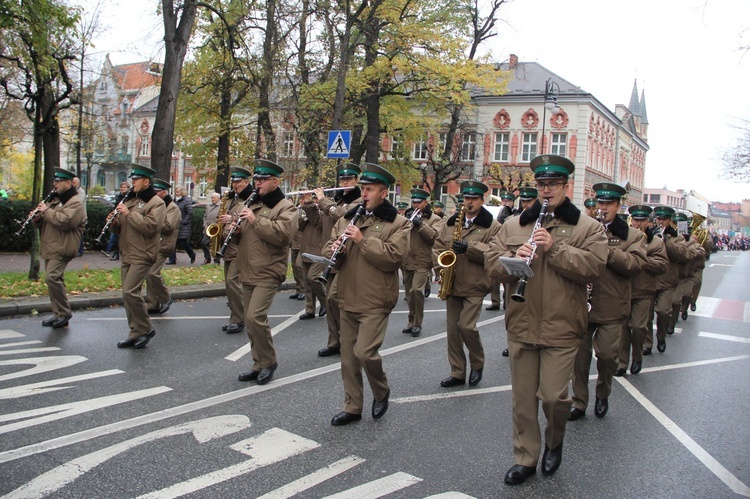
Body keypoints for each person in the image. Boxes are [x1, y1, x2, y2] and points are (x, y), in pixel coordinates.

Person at [485, 154, 607, 485]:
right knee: (523, 400)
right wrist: (512, 257)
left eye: (553, 184)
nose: (546, 190)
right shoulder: (514, 225)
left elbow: (594, 268)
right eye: (541, 184)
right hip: (522, 324)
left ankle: (555, 440)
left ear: (566, 186)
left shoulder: (587, 226)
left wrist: (554, 248)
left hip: (563, 326)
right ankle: (525, 457)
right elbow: (490, 265)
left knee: (555, 397)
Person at [322, 163, 409, 426]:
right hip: (347, 295)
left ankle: (381, 390)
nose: (365, 194)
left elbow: (394, 258)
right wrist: (336, 248)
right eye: (363, 189)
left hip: (375, 300)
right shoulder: (348, 218)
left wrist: (362, 240)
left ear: (384, 193)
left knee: (365, 353)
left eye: (370, 189)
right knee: (348, 358)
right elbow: (327, 250)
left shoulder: (398, 223)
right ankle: (352, 405)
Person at [569, 183, 646, 421]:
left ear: (618, 206)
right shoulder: (585, 229)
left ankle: (603, 393)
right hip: (584, 304)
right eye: (600, 203)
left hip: (613, 305)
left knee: (607, 356)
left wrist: (608, 251)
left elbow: (635, 265)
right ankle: (579, 402)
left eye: (608, 204)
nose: (602, 208)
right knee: (579, 359)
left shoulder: (633, 235)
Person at [435, 180, 501, 389]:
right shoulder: (450, 222)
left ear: (482, 200)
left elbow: (494, 253)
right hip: (452, 282)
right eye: (466, 198)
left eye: (474, 199)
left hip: (476, 283)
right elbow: (437, 247)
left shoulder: (493, 226)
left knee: (466, 326)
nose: (469, 202)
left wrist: (470, 248)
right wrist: (439, 267)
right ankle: (457, 371)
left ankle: (477, 363)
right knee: (453, 330)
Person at [236, 160, 295, 386]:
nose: (258, 183)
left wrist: (254, 219)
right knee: (250, 321)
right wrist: (235, 228)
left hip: (269, 270)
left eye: (262, 180)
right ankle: (258, 363)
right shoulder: (254, 204)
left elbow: (282, 236)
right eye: (256, 180)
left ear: (275, 182)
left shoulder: (285, 207)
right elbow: (248, 236)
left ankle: (269, 362)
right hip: (249, 268)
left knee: (255, 317)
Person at [112, 165, 166, 349]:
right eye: (132, 179)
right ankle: (135, 331)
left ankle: (146, 328)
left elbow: (151, 227)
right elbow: (122, 226)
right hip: (127, 252)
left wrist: (129, 214)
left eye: (136, 180)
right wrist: (113, 222)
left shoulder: (156, 203)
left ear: (146, 181)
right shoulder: (131, 200)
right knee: (127, 295)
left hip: (143, 253)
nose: (132, 182)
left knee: (130, 291)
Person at [314, 163, 362, 357]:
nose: (345, 182)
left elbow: (341, 215)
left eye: (349, 179)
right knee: (330, 299)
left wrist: (323, 201)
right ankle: (334, 341)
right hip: (331, 251)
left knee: (336, 298)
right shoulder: (337, 199)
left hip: (348, 255)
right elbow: (320, 222)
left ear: (356, 180)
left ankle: (349, 339)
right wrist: (310, 204)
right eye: (342, 179)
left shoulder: (359, 200)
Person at [616, 205, 668, 376]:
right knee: (623, 330)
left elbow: (662, 266)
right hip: (624, 290)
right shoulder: (624, 237)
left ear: (648, 222)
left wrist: (642, 257)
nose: (639, 223)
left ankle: (637, 356)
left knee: (638, 328)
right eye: (636, 220)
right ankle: (622, 363)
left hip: (644, 292)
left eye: (643, 220)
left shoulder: (656, 242)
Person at [35, 168, 87, 329]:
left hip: (64, 246)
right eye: (55, 181)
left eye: (58, 181)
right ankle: (58, 313)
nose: (55, 184)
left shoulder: (75, 202)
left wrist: (47, 211)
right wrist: (37, 218)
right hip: (51, 245)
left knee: (52, 277)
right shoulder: (55, 200)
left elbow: (66, 221)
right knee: (53, 280)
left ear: (69, 183)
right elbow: (46, 220)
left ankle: (64, 313)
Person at [499, 185, 538, 357]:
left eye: (530, 201)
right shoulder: (512, 222)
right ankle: (512, 341)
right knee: (512, 311)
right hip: (516, 286)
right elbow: (493, 260)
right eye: (524, 201)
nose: (526, 204)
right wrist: (514, 256)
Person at [645, 206, 688, 355]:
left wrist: (666, 242)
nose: (661, 222)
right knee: (646, 315)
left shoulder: (678, 237)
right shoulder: (649, 235)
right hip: (650, 280)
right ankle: (647, 343)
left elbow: (682, 256)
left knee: (663, 312)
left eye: (664, 219)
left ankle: (661, 336)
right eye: (659, 219)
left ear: (670, 220)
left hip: (667, 282)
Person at [219, 167, 254, 334]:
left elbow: (248, 218)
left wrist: (231, 218)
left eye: (238, 182)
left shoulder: (250, 198)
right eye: (233, 182)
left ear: (246, 182)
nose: (234, 184)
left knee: (233, 282)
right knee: (228, 283)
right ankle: (235, 317)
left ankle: (239, 319)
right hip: (228, 247)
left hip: (239, 248)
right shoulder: (233, 198)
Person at [402, 188, 440, 337]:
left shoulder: (434, 219)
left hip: (423, 260)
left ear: (426, 202)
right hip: (408, 259)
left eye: (419, 202)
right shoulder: (408, 216)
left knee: (417, 291)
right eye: (414, 202)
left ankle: (418, 323)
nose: (416, 205)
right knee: (409, 294)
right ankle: (411, 321)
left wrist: (421, 225)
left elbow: (433, 238)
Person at [144, 178, 181, 315]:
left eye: (157, 191)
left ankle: (165, 298)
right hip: (153, 244)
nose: (154, 193)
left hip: (164, 245)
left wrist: (152, 221)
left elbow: (168, 226)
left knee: (152, 272)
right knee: (148, 275)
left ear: (164, 193)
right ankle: (153, 304)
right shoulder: (155, 205)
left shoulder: (173, 208)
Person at [297, 192, 328, 320]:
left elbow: (318, 223)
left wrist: (310, 206)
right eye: (311, 198)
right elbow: (300, 227)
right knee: (306, 281)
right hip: (306, 248)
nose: (313, 200)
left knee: (313, 277)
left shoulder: (324, 213)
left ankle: (326, 303)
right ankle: (309, 309)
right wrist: (302, 213)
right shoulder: (307, 210)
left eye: (315, 198)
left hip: (319, 250)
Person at [488, 191, 517, 311]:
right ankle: (495, 302)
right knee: (495, 277)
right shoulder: (498, 212)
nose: (505, 203)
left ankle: (507, 301)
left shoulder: (516, 214)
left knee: (507, 279)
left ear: (512, 202)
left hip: (510, 244)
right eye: (504, 201)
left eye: (508, 201)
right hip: (498, 242)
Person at [168, 187, 196, 265]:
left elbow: (189, 212)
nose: (176, 193)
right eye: (175, 192)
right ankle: (172, 259)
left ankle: (192, 254)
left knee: (182, 242)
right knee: (172, 242)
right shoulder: (173, 200)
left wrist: (184, 221)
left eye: (178, 192)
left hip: (183, 225)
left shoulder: (186, 200)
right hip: (174, 224)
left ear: (182, 192)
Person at [104, 182, 130, 261]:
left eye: (125, 187)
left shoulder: (128, 197)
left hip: (123, 218)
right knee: (114, 237)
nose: (123, 189)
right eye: (122, 187)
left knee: (117, 238)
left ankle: (116, 253)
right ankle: (111, 252)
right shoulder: (118, 196)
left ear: (128, 188)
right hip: (116, 217)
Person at [288, 203, 305, 301]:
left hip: (301, 242)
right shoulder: (295, 209)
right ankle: (298, 289)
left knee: (299, 266)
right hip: (294, 242)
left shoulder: (304, 210)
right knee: (294, 267)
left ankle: (303, 290)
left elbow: (302, 223)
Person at [201, 191, 222, 265]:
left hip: (216, 229)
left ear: (218, 198)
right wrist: (205, 225)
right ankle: (207, 258)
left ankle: (217, 260)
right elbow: (205, 217)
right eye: (212, 198)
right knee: (204, 243)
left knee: (216, 245)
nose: (212, 199)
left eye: (214, 198)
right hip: (208, 228)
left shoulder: (221, 206)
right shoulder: (208, 206)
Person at [72, 176, 87, 257]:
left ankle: (79, 251)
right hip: (75, 216)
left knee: (79, 234)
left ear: (78, 183)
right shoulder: (74, 191)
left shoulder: (81, 192)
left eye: (74, 182)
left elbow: (77, 203)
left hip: (80, 217)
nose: (72, 184)